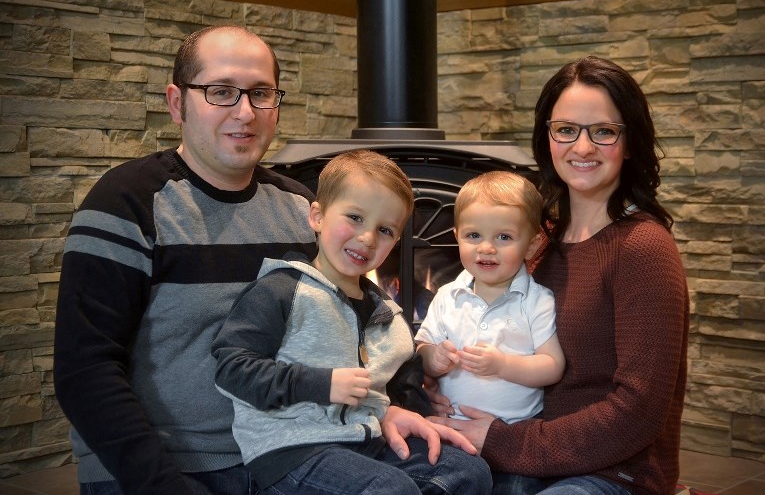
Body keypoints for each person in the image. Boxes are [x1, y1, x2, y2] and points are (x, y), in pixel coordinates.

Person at [53, 26, 472, 495]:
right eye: (222, 92)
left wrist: (384, 408)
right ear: (177, 103)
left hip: (302, 447)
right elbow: (84, 372)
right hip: (172, 467)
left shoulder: (300, 209)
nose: (245, 112)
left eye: (261, 93)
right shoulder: (128, 203)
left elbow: (329, 340)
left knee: (459, 473)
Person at [428, 56, 690, 495]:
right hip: (520, 451)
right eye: (566, 129)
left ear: (629, 142)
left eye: (603, 131)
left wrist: (502, 440)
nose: (582, 148)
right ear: (547, 137)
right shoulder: (534, 240)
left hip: (610, 472)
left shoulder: (643, 248)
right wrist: (444, 386)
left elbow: (639, 410)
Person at [212, 150, 493, 494]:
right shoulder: (281, 290)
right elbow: (231, 371)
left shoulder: (387, 312)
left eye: (385, 230)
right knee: (390, 490)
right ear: (317, 216)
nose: (368, 238)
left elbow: (401, 381)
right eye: (355, 218)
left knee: (468, 472)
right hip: (293, 450)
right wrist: (321, 384)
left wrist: (407, 413)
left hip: (367, 439)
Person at [415, 171, 564, 425]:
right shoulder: (447, 297)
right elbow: (421, 350)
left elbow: (552, 366)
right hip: (453, 420)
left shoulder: (537, 301)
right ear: (457, 236)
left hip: (518, 425)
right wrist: (433, 358)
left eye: (504, 237)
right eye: (474, 236)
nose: (486, 248)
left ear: (531, 246)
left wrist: (502, 365)